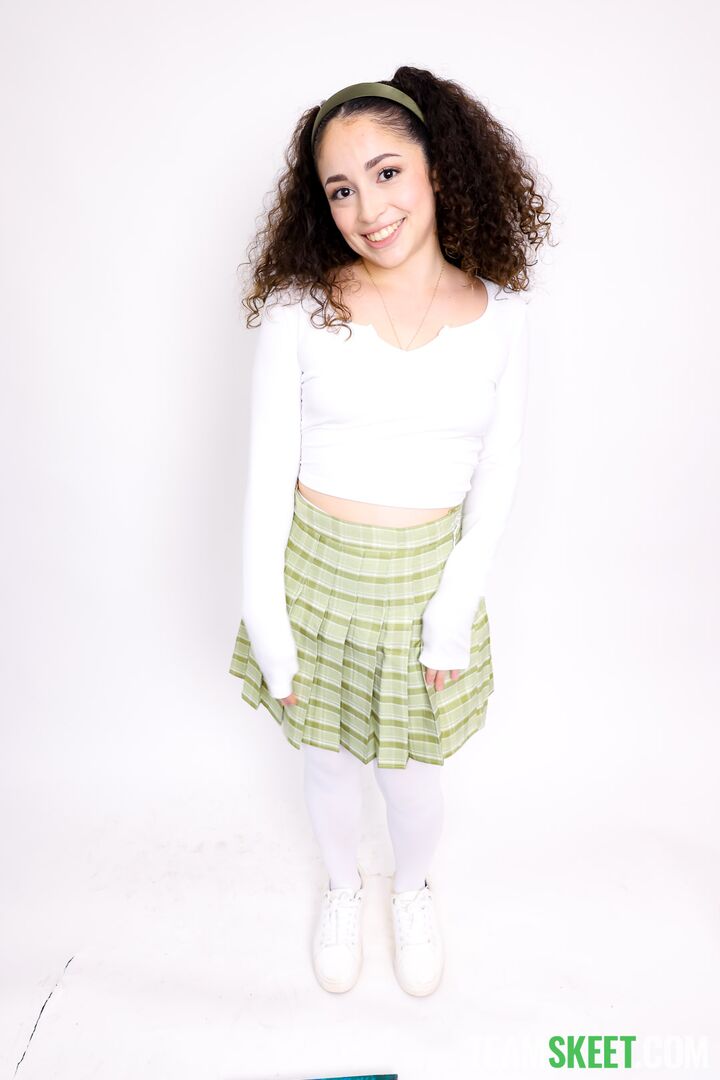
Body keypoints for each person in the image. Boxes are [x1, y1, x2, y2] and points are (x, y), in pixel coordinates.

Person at [229, 67, 554, 997]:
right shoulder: (298, 311)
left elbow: (499, 474)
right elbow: (265, 476)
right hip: (317, 583)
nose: (368, 210)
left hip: (424, 593)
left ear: (436, 168)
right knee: (329, 769)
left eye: (386, 173)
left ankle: (410, 889)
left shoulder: (504, 317)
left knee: (412, 781)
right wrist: (267, 619)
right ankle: (343, 887)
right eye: (340, 189)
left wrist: (454, 605)